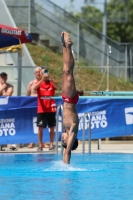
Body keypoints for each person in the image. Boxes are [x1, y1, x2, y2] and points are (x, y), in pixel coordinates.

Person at [61, 31, 79, 164]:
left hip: (65, 98)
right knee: (68, 71)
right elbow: (67, 151)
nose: (62, 139)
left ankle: (63, 45)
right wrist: (66, 170)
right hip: (71, 99)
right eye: (64, 141)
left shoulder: (67, 131)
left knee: (64, 70)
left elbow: (65, 151)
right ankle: (69, 46)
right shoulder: (73, 131)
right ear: (70, 142)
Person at [33, 68, 58, 151]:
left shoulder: (52, 82)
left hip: (51, 109)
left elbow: (56, 86)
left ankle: (51, 144)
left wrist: (49, 79)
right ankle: (40, 145)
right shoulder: (38, 83)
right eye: (44, 73)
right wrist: (42, 80)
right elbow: (34, 88)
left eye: (46, 73)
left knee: (52, 127)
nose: (45, 74)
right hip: (42, 109)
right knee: (40, 128)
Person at [26, 66, 49, 148]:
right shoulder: (31, 83)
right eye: (36, 72)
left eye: (39, 71)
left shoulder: (45, 83)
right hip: (33, 106)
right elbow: (27, 96)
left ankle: (43, 142)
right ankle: (31, 142)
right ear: (34, 74)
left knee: (43, 125)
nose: (38, 73)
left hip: (43, 107)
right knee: (32, 124)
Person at [0, 72, 15, 150]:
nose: (4, 79)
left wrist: (2, 93)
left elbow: (9, 94)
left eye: (5, 77)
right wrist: (2, 88)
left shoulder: (10, 86)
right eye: (2, 77)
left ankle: (10, 144)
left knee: (8, 125)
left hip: (7, 108)